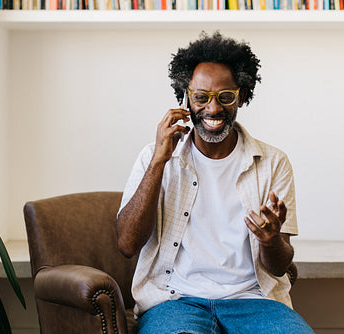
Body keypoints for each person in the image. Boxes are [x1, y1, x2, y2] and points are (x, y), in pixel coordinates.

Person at [116, 31, 314, 334]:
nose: (212, 109)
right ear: (185, 97)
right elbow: (127, 244)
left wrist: (271, 239)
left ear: (242, 96)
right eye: (201, 97)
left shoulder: (274, 163)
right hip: (176, 302)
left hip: (255, 302)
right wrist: (159, 161)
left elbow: (278, 266)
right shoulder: (154, 157)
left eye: (225, 97)